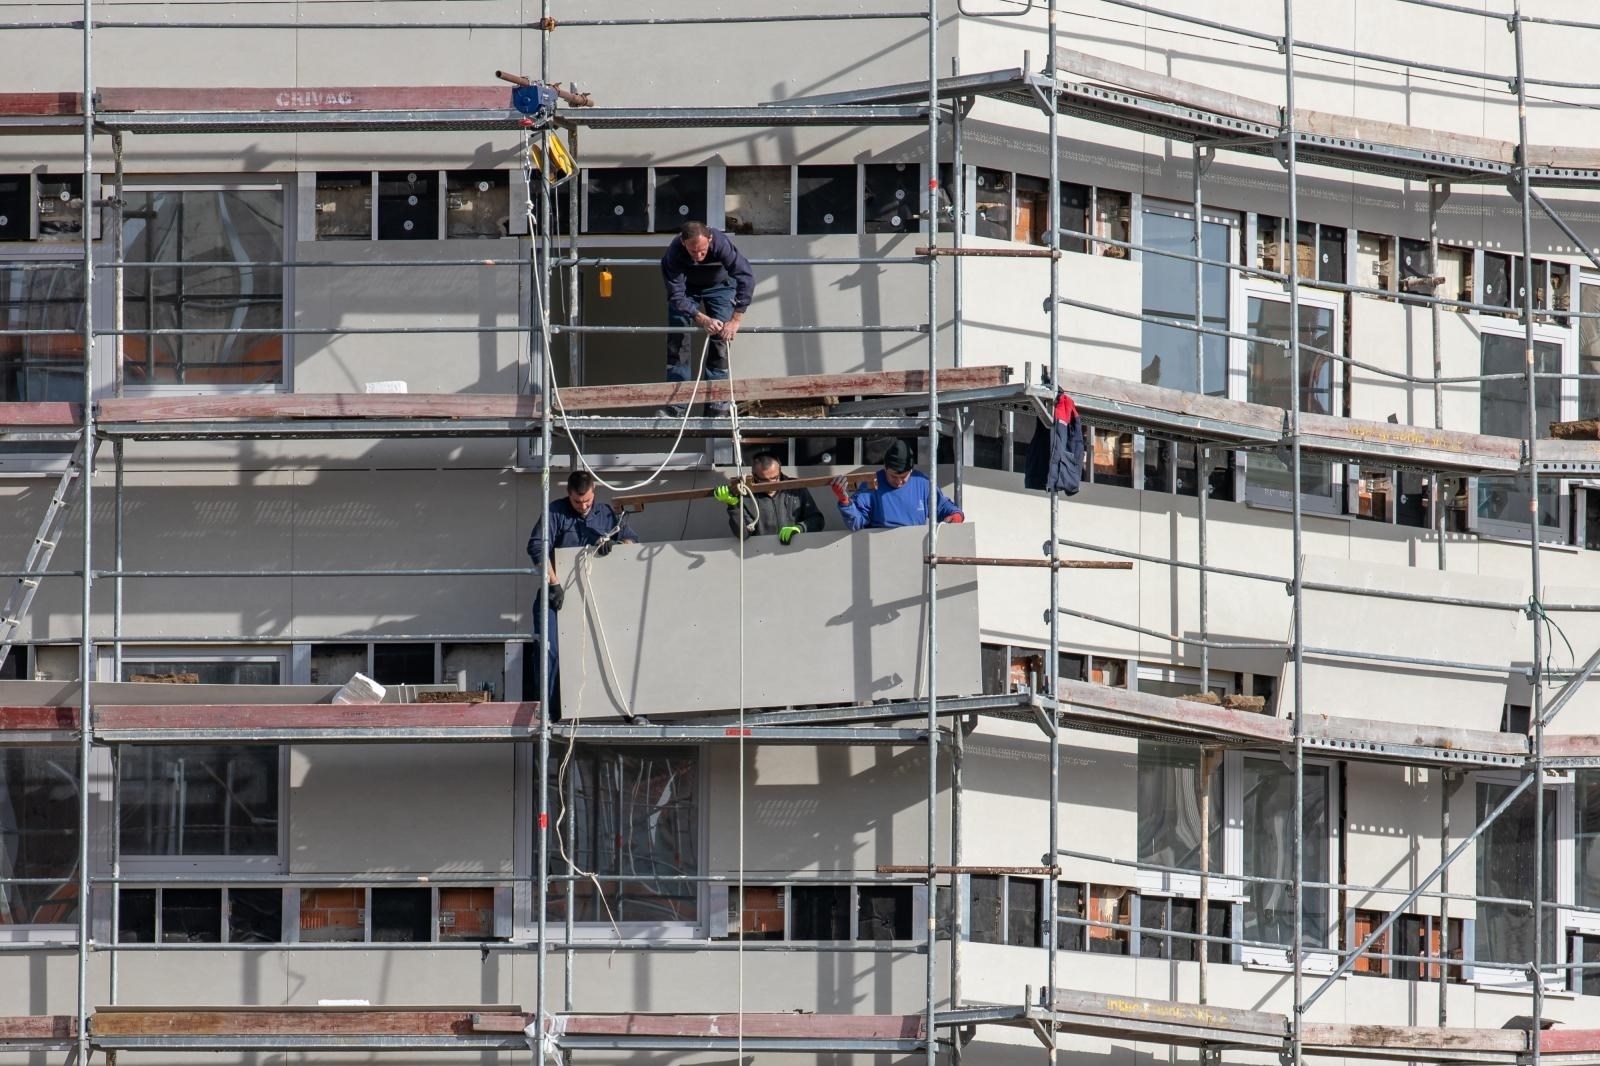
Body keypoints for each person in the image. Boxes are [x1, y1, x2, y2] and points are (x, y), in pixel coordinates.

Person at [525, 470, 640, 717]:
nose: (583, 506)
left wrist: (617, 545)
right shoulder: (556, 512)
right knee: (550, 650)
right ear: (569, 495)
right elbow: (536, 547)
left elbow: (632, 542)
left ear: (594, 492)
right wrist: (553, 584)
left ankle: (628, 709)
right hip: (559, 595)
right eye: (577, 502)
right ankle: (550, 713)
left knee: (616, 647)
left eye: (587, 500)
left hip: (597, 597)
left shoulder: (608, 514)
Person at [660, 221, 755, 413]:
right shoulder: (674, 253)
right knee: (678, 336)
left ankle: (717, 400)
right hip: (688, 289)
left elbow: (746, 277)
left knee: (721, 337)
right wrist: (702, 319)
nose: (698, 256)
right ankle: (677, 404)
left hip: (720, 286)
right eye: (693, 252)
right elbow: (676, 296)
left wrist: (735, 320)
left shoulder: (721, 244)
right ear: (683, 242)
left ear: (710, 239)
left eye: (702, 251)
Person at [832, 440, 964, 530]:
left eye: (904, 477)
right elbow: (856, 522)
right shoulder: (871, 484)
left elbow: (943, 507)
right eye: (893, 476)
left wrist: (956, 515)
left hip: (915, 550)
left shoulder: (923, 483)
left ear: (911, 471)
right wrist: (844, 501)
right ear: (885, 468)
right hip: (880, 553)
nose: (899, 481)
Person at [712, 452, 826, 544]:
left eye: (775, 478)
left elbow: (818, 520)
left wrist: (799, 528)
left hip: (794, 552)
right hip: (761, 556)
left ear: (780, 470)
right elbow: (743, 535)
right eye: (764, 480)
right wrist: (733, 505)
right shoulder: (745, 495)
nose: (771, 484)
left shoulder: (796, 488)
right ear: (754, 475)